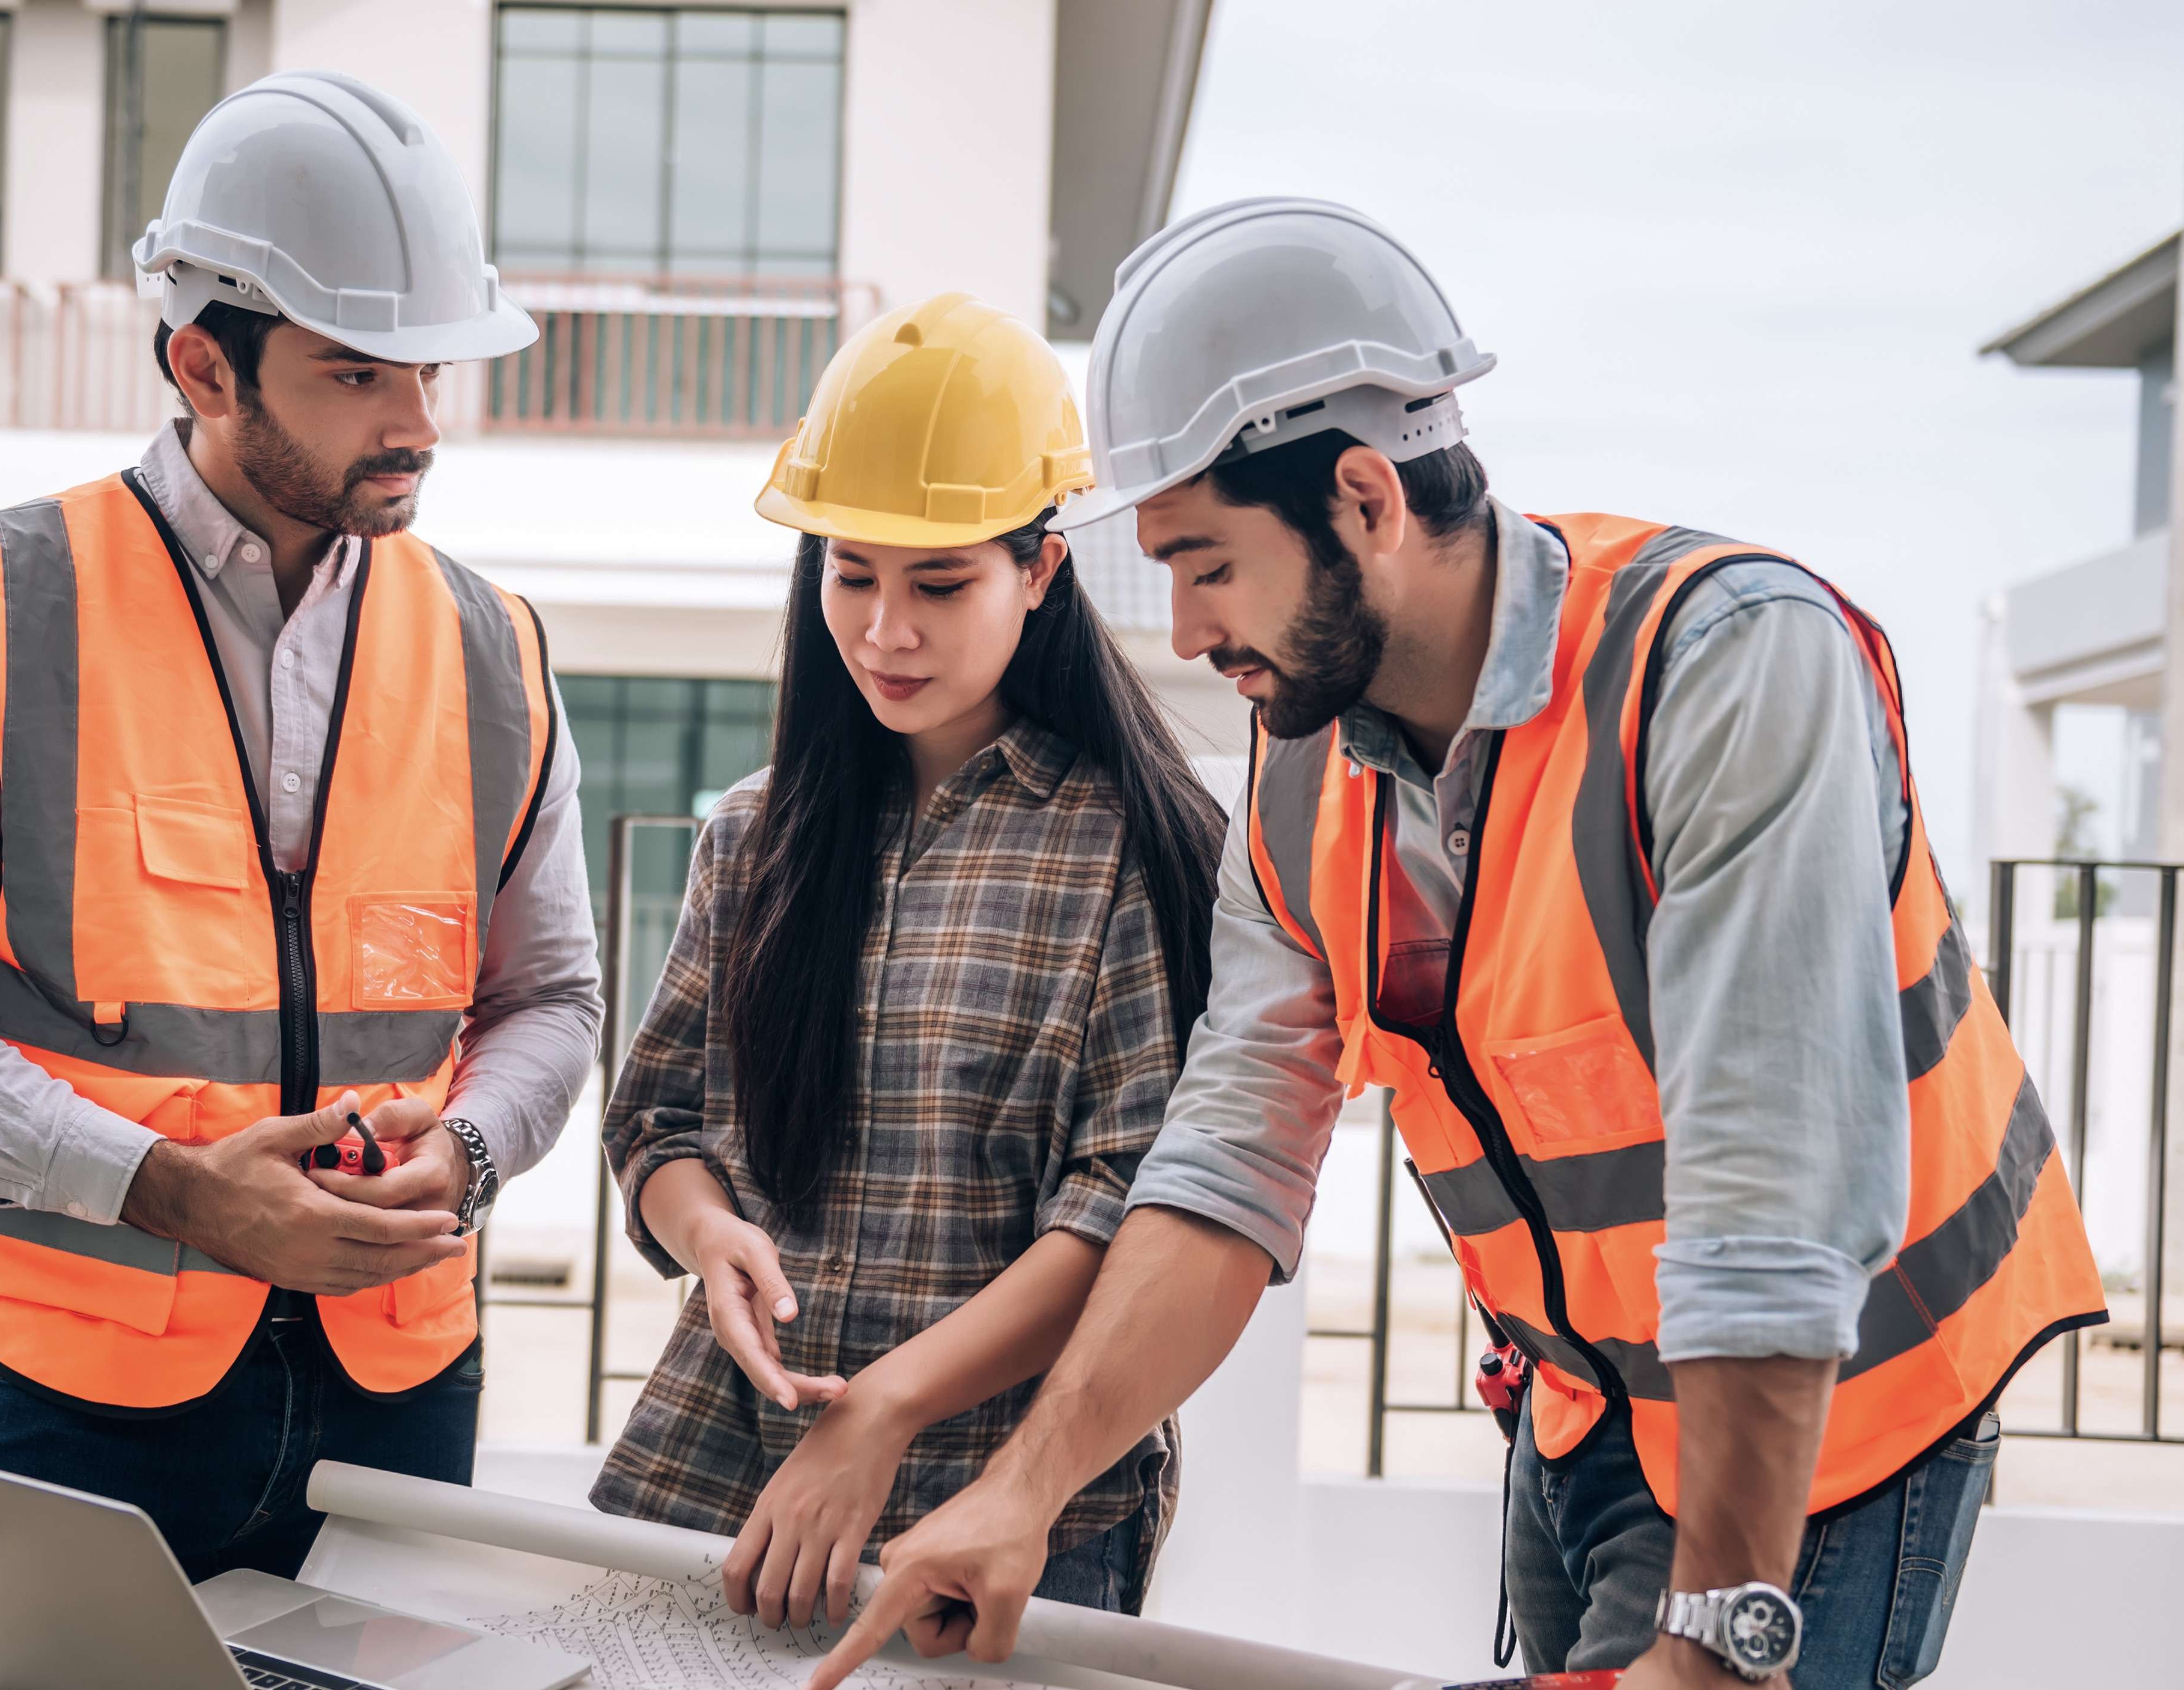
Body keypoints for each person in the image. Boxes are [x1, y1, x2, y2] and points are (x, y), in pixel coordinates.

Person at [812, 200, 2108, 1690]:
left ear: (1364, 498)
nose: (1181, 629)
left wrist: (1713, 1634)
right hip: (1579, 1414)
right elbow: (1227, 1165)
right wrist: (1019, 1490)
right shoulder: (1300, 778)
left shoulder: (1723, 665)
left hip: (1828, 1423)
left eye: (1209, 564)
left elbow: (1774, 1187)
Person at [0, 73, 601, 1685]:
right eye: (359, 371)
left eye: (430, 363)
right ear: (204, 362)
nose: (419, 418)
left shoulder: (492, 648)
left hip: (399, 1393)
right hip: (72, 1398)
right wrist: (169, 1190)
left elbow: (553, 995)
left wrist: (480, 1153)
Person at [593, 293, 1225, 1635]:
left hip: (1006, 1516)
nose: (884, 632)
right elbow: (658, 1121)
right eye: (849, 574)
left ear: (1042, 570)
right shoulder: (752, 834)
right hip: (728, 1477)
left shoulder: (1135, 850)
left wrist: (887, 1404)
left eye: (940, 584)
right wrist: (711, 1238)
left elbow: (1124, 1209)